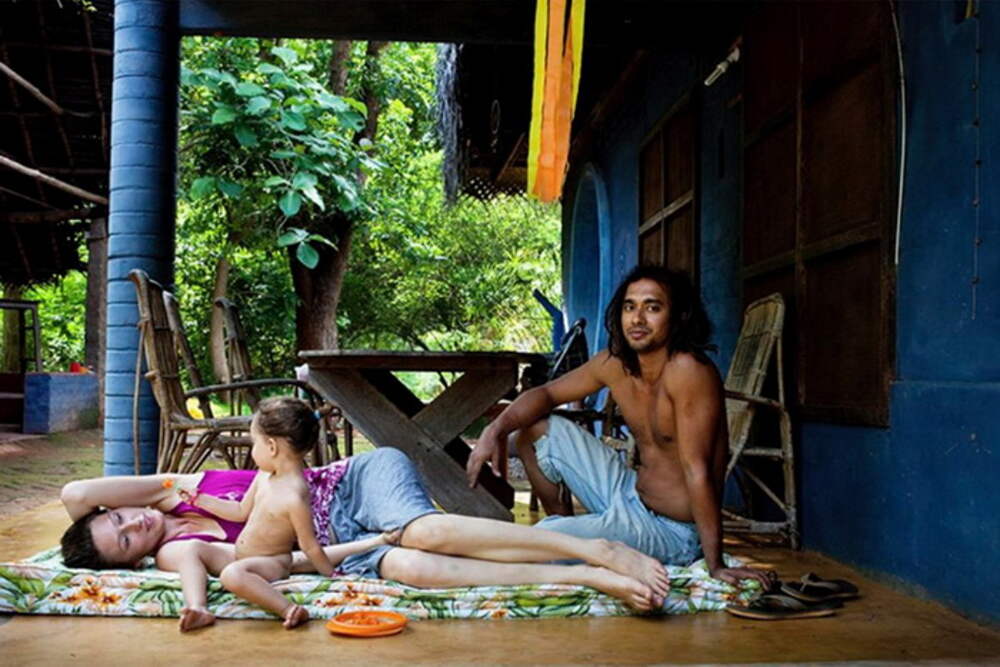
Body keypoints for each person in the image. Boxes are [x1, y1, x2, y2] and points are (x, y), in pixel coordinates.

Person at [61, 425, 671, 633]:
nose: (134, 522)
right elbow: (289, 562)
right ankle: (587, 576)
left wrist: (157, 492)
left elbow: (75, 494)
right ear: (135, 561)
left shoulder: (179, 488)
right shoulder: (178, 550)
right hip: (348, 548)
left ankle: (593, 546)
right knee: (415, 568)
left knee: (421, 533)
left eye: (118, 516)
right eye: (127, 538)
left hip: (357, 482)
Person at [466, 265, 771, 588]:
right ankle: (573, 536)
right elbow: (547, 394)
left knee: (542, 539)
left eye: (652, 307)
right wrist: (495, 429)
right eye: (629, 306)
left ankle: (569, 541)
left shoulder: (688, 370)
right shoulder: (617, 363)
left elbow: (698, 470)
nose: (637, 319)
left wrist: (716, 565)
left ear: (679, 316)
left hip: (672, 531)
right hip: (629, 494)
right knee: (537, 431)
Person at [174, 396, 398, 628]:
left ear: (271, 447)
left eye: (254, 443)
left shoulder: (294, 496)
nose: (253, 451)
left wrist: (332, 576)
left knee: (232, 575)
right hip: (241, 556)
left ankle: (289, 609)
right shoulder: (264, 476)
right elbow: (240, 511)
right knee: (192, 548)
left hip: (272, 563)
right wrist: (201, 500)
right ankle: (198, 607)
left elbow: (310, 546)